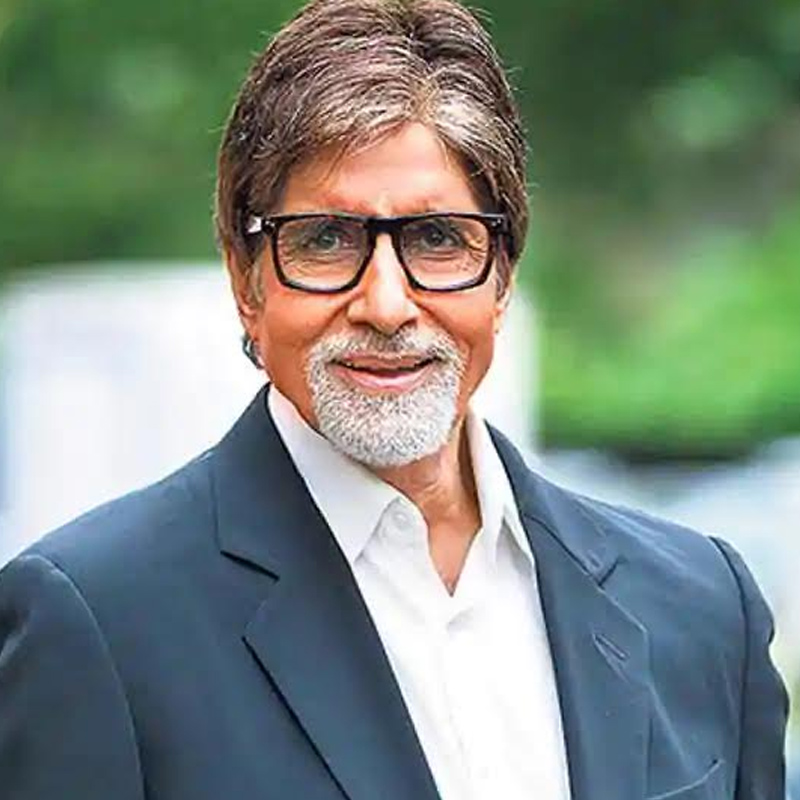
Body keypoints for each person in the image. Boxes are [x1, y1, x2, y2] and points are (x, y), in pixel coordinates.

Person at [0, 0, 788, 797]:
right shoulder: (97, 624)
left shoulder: (701, 606)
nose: (386, 304)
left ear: (503, 276)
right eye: (325, 239)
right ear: (245, 280)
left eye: (438, 238)